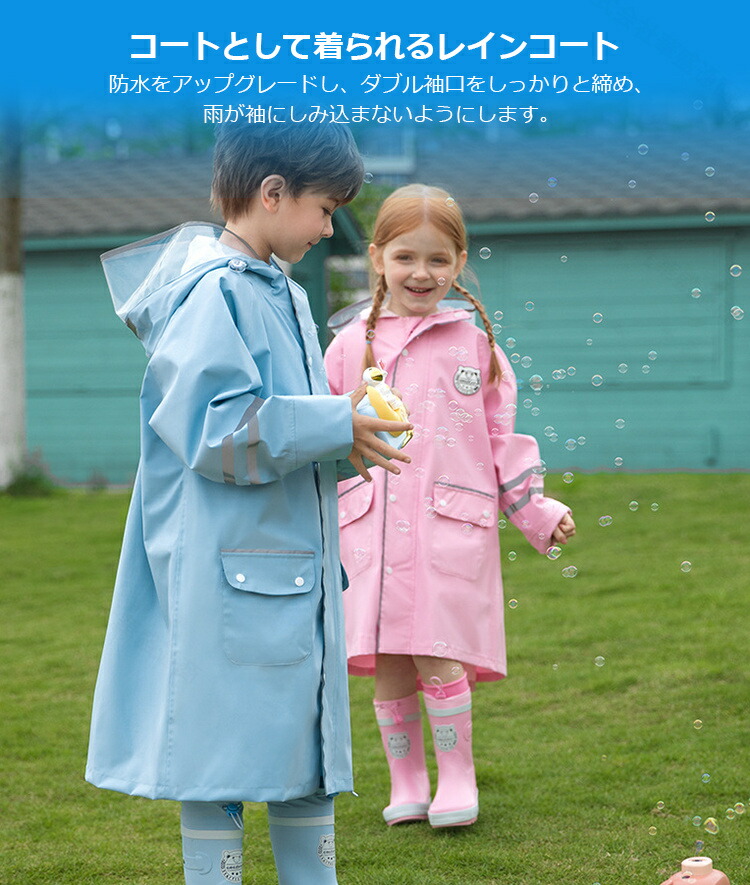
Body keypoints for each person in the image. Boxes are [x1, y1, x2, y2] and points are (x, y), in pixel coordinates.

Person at [85, 121, 412, 885]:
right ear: (272, 193)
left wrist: (346, 442)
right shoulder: (215, 294)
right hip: (231, 578)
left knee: (303, 755)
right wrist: (335, 422)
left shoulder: (276, 290)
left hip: (277, 570)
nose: (328, 228)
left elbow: (274, 430)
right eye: (325, 209)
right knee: (219, 758)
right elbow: (216, 430)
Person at [323, 184, 576, 829]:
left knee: (437, 650)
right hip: (369, 531)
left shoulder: (475, 347)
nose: (421, 272)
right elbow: (321, 431)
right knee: (389, 659)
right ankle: (407, 781)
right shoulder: (348, 346)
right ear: (377, 258)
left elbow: (501, 443)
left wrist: (538, 512)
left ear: (460, 262)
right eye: (405, 257)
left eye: (438, 259)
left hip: (447, 529)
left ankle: (457, 777)